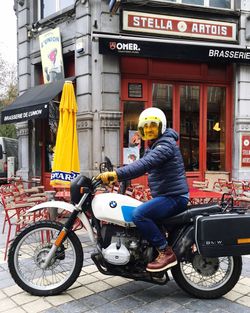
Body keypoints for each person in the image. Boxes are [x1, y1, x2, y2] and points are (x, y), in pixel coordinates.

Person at [97, 107, 189, 272]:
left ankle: (165, 252)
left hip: (174, 197)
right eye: (145, 127)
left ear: (161, 126)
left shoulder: (165, 145)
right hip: (168, 196)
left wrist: (115, 175)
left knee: (139, 214)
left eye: (152, 125)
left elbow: (143, 165)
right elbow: (138, 165)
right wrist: (120, 176)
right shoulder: (155, 146)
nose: (148, 129)